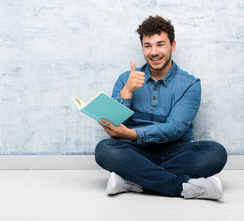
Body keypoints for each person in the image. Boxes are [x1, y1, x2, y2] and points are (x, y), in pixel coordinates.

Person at [95, 15, 227, 200]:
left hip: (176, 151)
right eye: (147, 46)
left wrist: (132, 134)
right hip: (136, 151)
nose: (154, 52)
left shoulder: (190, 84)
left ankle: (133, 180)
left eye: (160, 44)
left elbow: (175, 129)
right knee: (104, 149)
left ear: (172, 46)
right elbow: (115, 125)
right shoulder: (126, 79)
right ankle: (180, 187)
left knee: (216, 153)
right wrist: (127, 92)